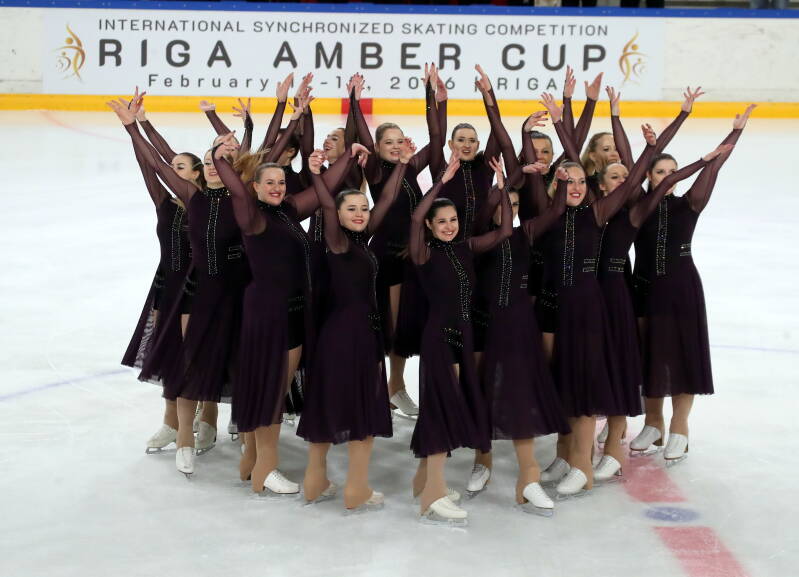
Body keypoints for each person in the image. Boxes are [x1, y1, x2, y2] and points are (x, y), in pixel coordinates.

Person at [110, 95, 251, 478]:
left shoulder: (242, 198)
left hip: (233, 290)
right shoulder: (188, 198)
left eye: (217, 162)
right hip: (188, 289)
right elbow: (155, 164)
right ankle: (183, 432)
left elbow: (243, 153)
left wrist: (245, 124)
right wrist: (133, 126)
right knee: (186, 360)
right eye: (207, 162)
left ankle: (222, 421)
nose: (212, 167)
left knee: (231, 359)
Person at [629, 105, 754, 463]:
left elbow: (715, 165)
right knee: (649, 354)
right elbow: (631, 166)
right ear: (649, 176)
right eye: (660, 171)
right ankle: (653, 423)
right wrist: (650, 145)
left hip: (680, 287)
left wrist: (735, 132)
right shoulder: (637, 205)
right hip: (644, 287)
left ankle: (680, 426)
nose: (668, 176)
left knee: (681, 355)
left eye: (673, 171)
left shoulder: (690, 203)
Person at [298, 146, 410, 512]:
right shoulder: (337, 242)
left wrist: (402, 165)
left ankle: (315, 483)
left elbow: (387, 199)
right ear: (338, 214)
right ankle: (356, 489)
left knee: (327, 404)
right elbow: (326, 205)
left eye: (363, 208)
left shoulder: (358, 240)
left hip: (340, 334)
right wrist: (317, 175)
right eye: (352, 209)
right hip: (353, 336)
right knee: (363, 409)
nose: (361, 213)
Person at [409, 154, 512, 526]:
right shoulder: (424, 254)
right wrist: (441, 181)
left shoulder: (465, 248)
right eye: (441, 221)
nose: (449, 226)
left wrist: (502, 189)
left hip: (462, 339)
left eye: (453, 220)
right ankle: (433, 496)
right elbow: (415, 218)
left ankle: (426, 482)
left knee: (443, 410)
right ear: (431, 226)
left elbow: (505, 231)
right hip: (439, 340)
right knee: (440, 413)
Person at [472, 157, 572, 515]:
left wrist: (561, 181)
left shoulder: (525, 232)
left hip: (518, 325)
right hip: (482, 324)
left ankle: (528, 476)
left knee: (518, 393)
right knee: (482, 390)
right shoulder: (479, 234)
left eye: (514, 203)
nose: (509, 208)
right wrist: (507, 180)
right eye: (504, 202)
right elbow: (489, 208)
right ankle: (482, 460)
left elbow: (557, 209)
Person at [350, 68, 444, 418]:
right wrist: (356, 100)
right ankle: (378, 388)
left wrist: (432, 97)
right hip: (387, 256)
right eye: (387, 141)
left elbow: (437, 137)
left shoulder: (411, 165)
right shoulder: (375, 170)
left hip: (414, 255)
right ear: (377, 147)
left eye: (399, 140)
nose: (395, 146)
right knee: (387, 326)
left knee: (406, 325)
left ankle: (396, 386)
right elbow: (362, 133)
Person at [118, 93, 199, 454]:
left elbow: (160, 159)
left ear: (195, 174)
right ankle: (171, 423)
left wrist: (139, 125)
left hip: (196, 288)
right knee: (167, 354)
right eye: (172, 166)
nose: (172, 170)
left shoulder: (203, 205)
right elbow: (148, 163)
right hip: (166, 285)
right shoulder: (164, 203)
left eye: (180, 167)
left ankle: (198, 422)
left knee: (192, 357)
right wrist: (133, 127)